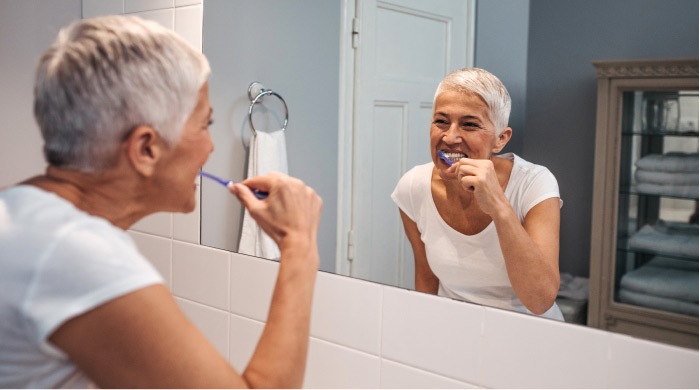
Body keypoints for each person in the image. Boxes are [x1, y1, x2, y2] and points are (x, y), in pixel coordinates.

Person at [0, 15, 322, 388]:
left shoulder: (22, 211)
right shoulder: (75, 254)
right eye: (205, 124)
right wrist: (299, 246)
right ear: (146, 148)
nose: (212, 146)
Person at [391, 68, 564, 321]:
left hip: (531, 334)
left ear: (500, 139)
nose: (450, 137)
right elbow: (427, 279)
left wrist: (499, 207)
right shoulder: (413, 187)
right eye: (441, 121)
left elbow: (540, 300)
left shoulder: (534, 184)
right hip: (458, 332)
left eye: (469, 124)